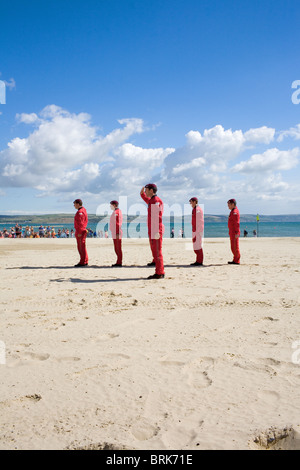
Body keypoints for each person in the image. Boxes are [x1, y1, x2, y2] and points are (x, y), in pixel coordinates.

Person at [140, 184, 165, 279]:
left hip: (156, 229)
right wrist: (142, 194)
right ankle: (159, 271)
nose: (145, 191)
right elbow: (147, 200)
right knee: (155, 251)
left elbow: (156, 218)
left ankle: (159, 273)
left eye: (146, 190)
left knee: (157, 252)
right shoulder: (152, 200)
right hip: (153, 229)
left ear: (151, 190)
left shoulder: (155, 201)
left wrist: (156, 231)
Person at [73, 199, 89, 267]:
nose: (74, 205)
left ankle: (83, 261)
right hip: (81, 230)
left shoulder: (80, 212)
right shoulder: (83, 210)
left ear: (78, 204)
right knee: (82, 246)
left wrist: (79, 231)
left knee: (81, 247)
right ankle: (85, 260)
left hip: (80, 231)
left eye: (74, 204)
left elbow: (81, 223)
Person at [189, 197, 204, 266]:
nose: (190, 203)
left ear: (195, 202)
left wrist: (197, 233)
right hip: (195, 230)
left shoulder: (198, 210)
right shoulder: (195, 209)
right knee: (196, 246)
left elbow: (199, 222)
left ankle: (199, 261)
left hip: (197, 230)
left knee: (198, 246)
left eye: (191, 202)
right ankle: (198, 260)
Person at [109, 200, 123, 266]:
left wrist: (117, 233)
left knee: (118, 248)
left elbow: (118, 223)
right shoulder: (116, 212)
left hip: (116, 232)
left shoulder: (117, 212)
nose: (110, 206)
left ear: (114, 205)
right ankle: (118, 261)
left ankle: (119, 262)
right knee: (116, 248)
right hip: (115, 232)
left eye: (111, 205)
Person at [227, 198, 240, 264]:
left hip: (234, 232)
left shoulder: (235, 212)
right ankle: (235, 259)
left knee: (235, 247)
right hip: (232, 231)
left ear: (232, 204)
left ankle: (237, 260)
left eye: (229, 204)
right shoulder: (232, 211)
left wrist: (237, 232)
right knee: (232, 246)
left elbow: (236, 223)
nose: (228, 206)